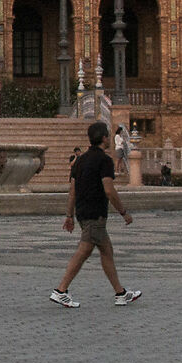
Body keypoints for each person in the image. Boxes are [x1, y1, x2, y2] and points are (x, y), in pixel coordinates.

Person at [50, 121, 139, 307]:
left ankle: (120, 293)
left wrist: (69, 215)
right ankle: (60, 290)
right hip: (95, 213)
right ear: (104, 138)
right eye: (108, 136)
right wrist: (123, 212)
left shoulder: (80, 160)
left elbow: (72, 189)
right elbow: (109, 190)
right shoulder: (104, 161)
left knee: (106, 251)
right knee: (84, 251)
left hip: (83, 212)